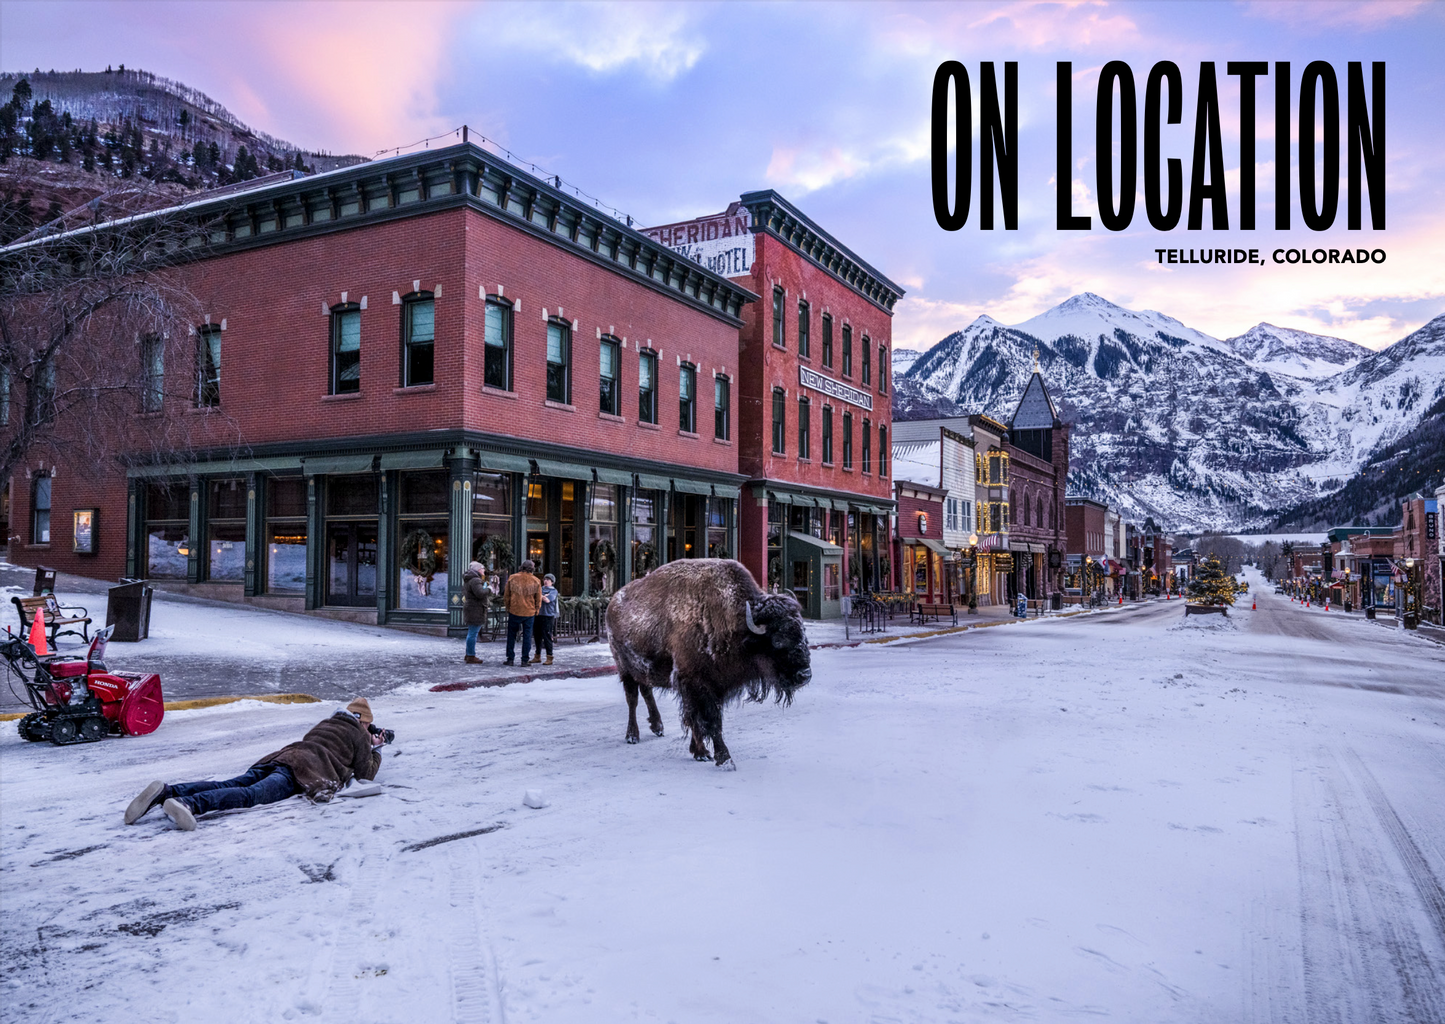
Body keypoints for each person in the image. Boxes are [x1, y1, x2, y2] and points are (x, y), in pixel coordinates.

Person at [124, 697, 388, 831]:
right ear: (363, 722)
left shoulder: (325, 724)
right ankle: (190, 804)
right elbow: (367, 774)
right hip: (302, 772)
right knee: (251, 795)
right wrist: (376, 747)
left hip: (281, 757)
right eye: (367, 724)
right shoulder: (358, 734)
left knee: (232, 783)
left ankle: (169, 792)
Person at [502, 559, 542, 666]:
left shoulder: (512, 578)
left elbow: (506, 596)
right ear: (532, 568)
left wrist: (508, 607)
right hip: (529, 612)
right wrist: (536, 610)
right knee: (527, 636)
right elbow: (538, 599)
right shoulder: (536, 581)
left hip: (514, 610)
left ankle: (510, 658)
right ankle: (525, 660)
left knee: (511, 635)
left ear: (521, 566)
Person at [462, 560, 494, 664]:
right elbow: (480, 593)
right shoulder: (475, 580)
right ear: (478, 569)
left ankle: (469, 654)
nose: (484, 570)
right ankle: (471, 655)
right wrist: (489, 589)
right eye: (483, 568)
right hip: (475, 609)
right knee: (473, 633)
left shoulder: (469, 579)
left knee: (472, 632)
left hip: (472, 608)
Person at [533, 572, 559, 665]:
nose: (546, 581)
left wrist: (541, 597)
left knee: (547, 636)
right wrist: (542, 596)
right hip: (538, 614)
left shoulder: (553, 591)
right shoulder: (540, 589)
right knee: (537, 636)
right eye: (545, 579)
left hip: (548, 616)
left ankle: (549, 656)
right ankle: (537, 656)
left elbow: (548, 600)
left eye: (548, 580)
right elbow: (534, 597)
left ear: (552, 582)